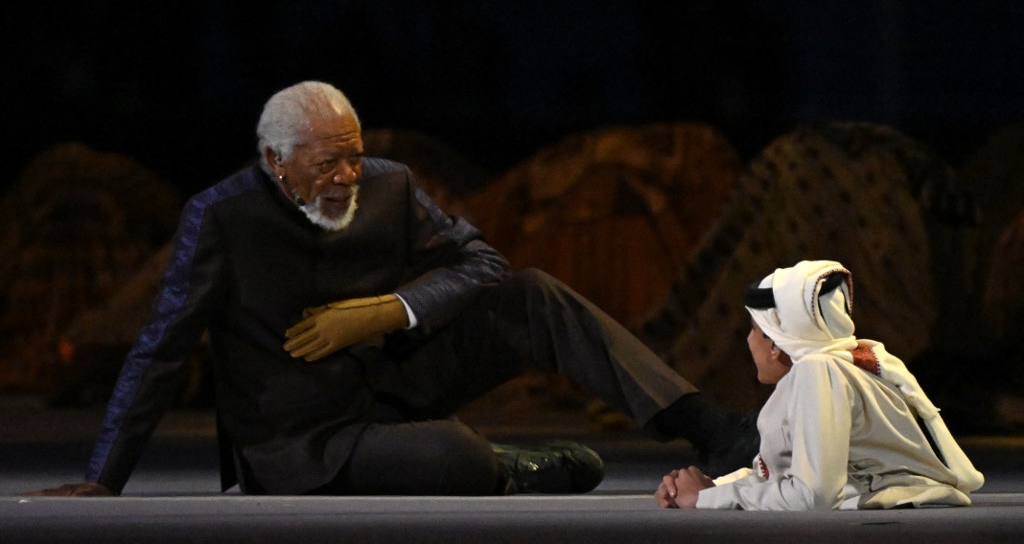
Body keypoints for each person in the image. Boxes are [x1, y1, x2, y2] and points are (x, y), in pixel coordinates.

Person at [27, 80, 757, 498]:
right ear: (278, 163)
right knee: (453, 458)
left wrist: (389, 310)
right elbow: (158, 353)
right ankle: (516, 469)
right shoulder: (220, 219)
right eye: (328, 165)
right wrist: (104, 479)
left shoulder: (389, 187)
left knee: (535, 294)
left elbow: (483, 265)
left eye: (354, 156)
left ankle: (711, 428)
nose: (348, 176)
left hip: (394, 376)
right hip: (306, 436)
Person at [655, 259, 985, 510]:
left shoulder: (818, 371)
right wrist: (711, 487)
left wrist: (709, 500)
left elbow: (813, 495)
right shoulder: (849, 360)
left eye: (755, 329)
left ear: (777, 342)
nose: (748, 340)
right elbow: (791, 475)